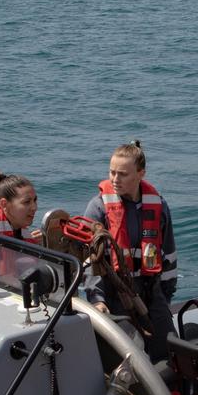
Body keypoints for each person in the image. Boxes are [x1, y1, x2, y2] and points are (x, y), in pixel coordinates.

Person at [83, 141, 179, 359]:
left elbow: (169, 253)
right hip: (115, 293)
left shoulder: (159, 206)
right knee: (122, 357)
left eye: (123, 174)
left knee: (168, 351)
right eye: (112, 172)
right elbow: (91, 260)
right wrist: (97, 299)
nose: (115, 179)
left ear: (140, 174)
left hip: (151, 292)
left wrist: (165, 295)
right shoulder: (98, 209)